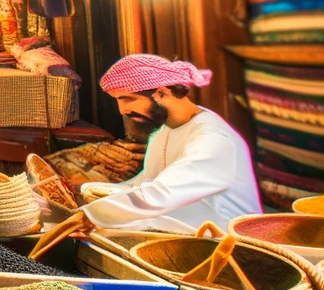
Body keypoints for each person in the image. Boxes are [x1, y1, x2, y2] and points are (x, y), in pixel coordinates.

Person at [77, 55, 261, 233]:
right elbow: (146, 183)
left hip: (229, 234)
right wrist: (89, 195)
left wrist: (91, 215)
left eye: (128, 99)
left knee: (102, 227)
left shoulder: (213, 137)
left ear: (162, 93)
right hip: (184, 219)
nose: (122, 110)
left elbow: (160, 194)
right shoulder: (163, 129)